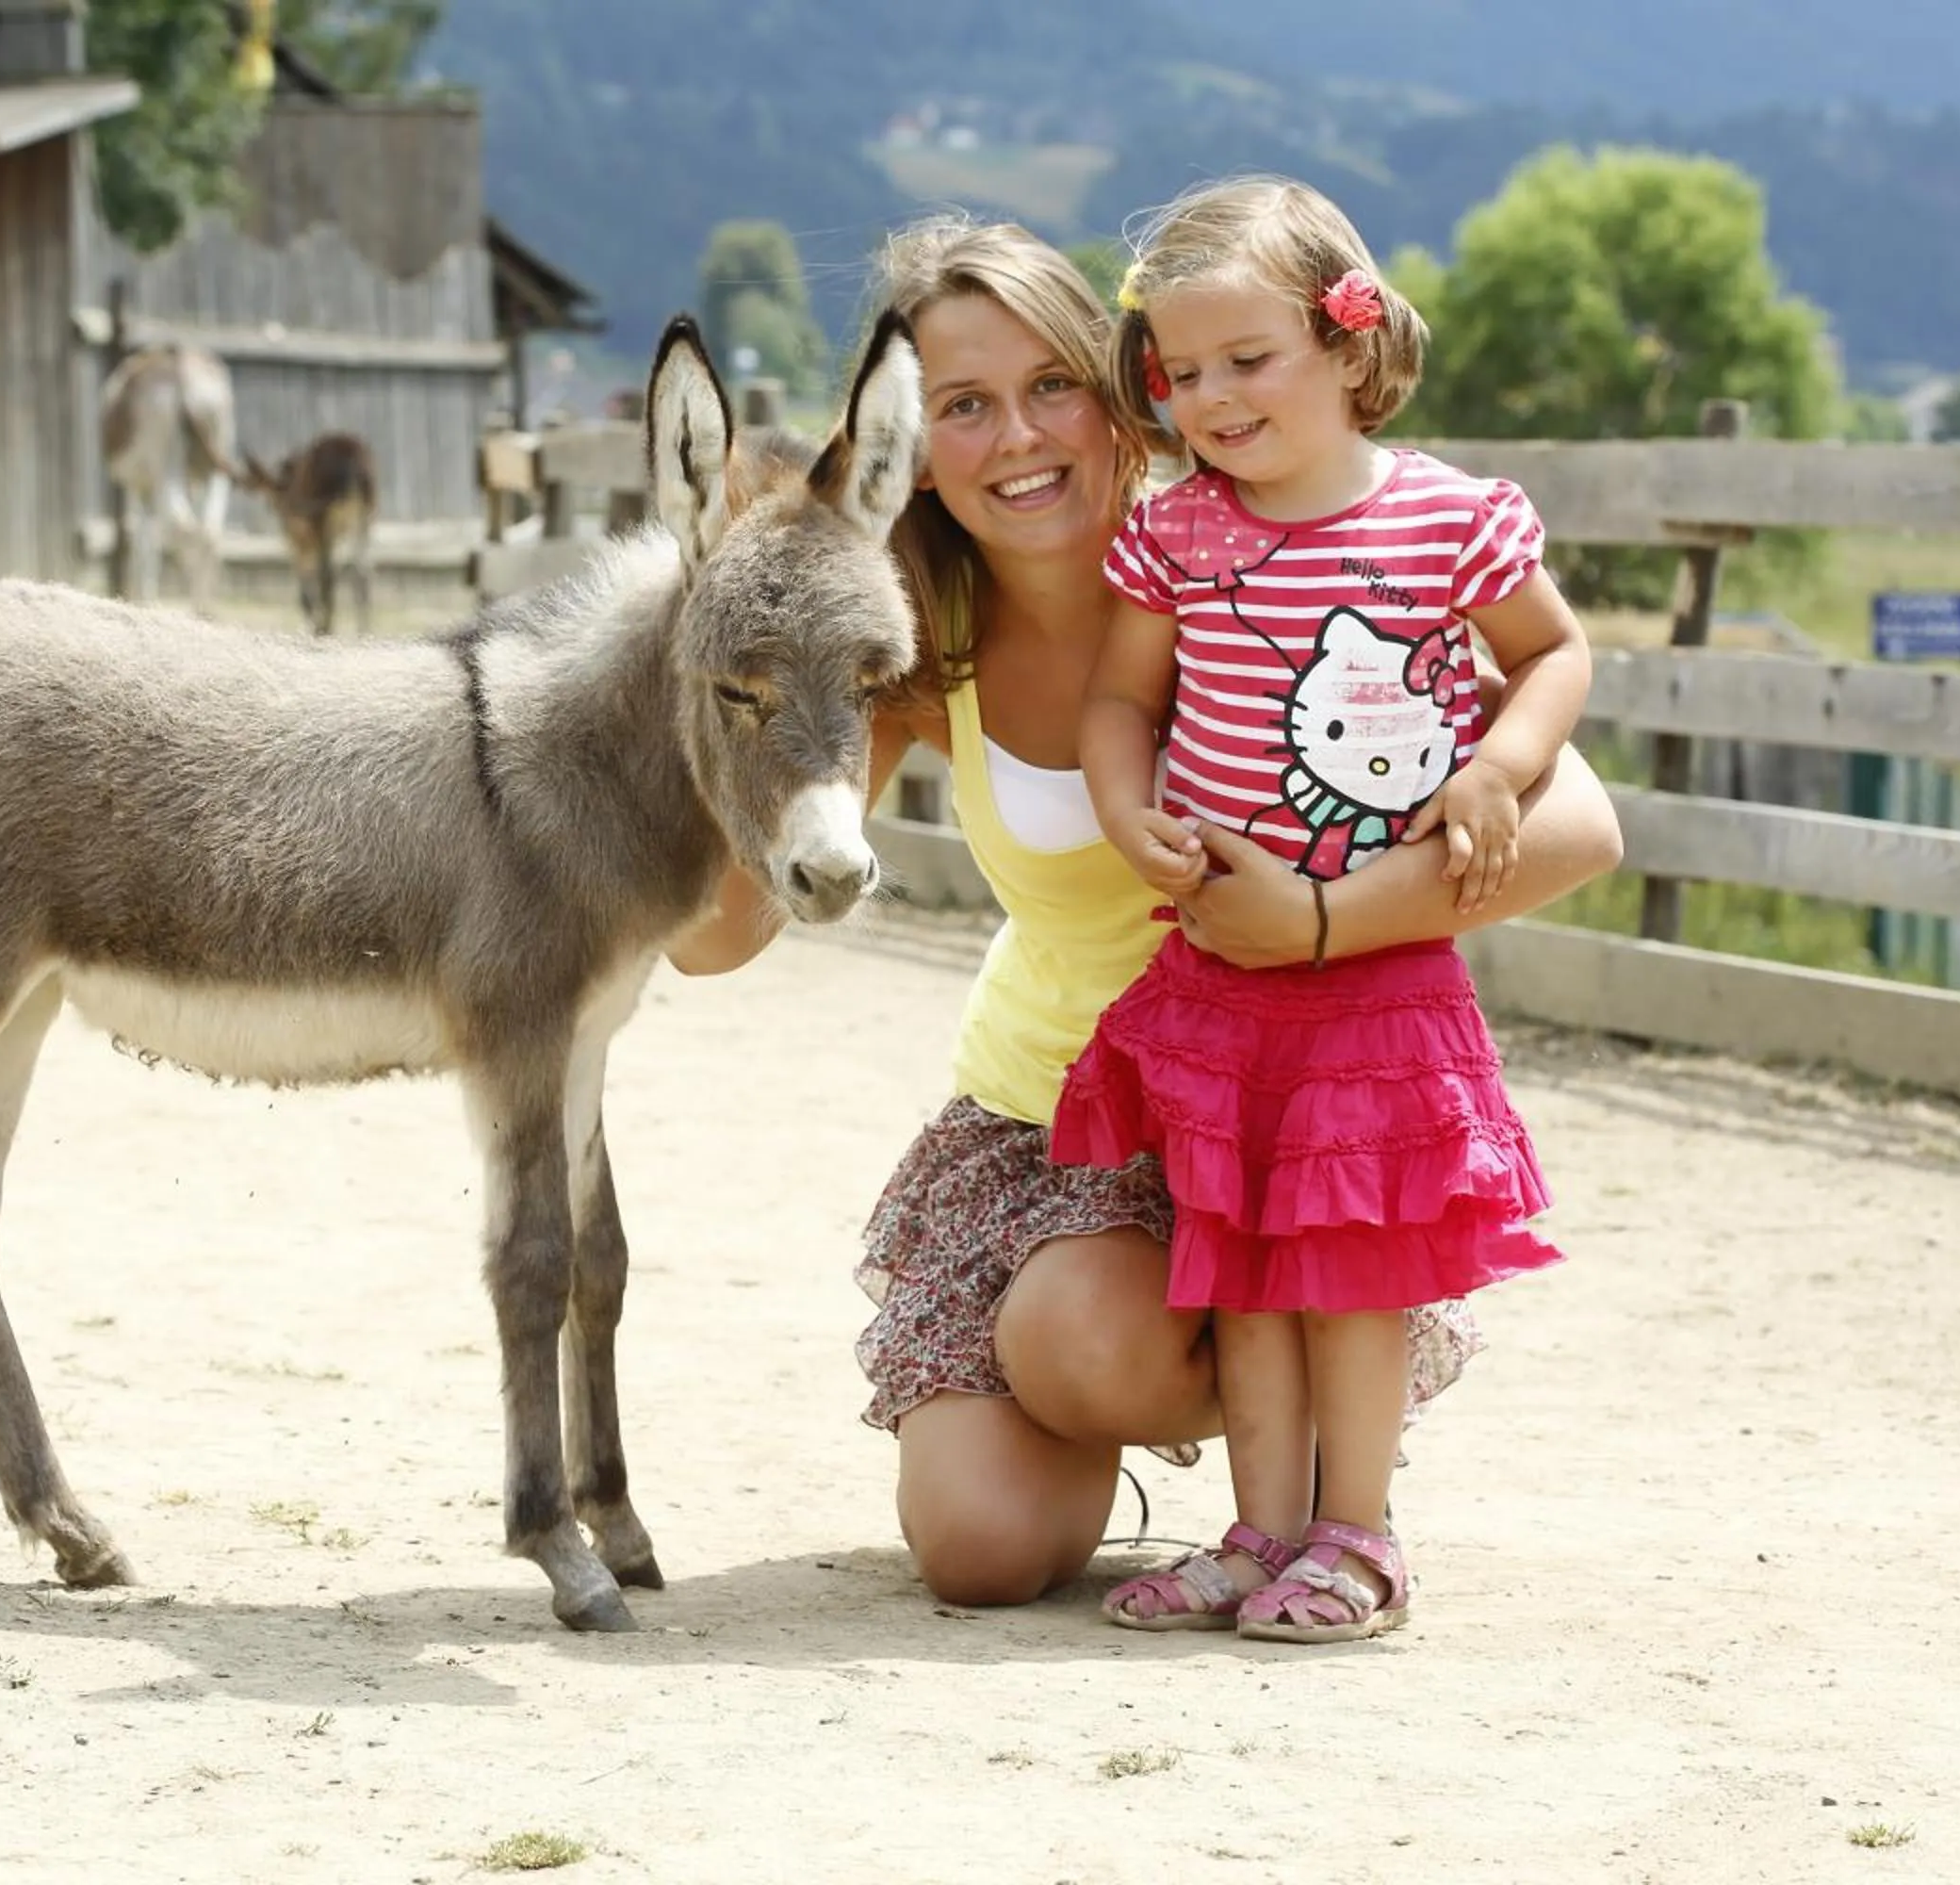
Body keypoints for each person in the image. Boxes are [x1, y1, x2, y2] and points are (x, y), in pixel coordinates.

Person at [663, 207, 1623, 1611]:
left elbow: (1583, 824)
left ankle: (1306, 1487)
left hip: (1271, 1097)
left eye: (1051, 386)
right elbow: (718, 938)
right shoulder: (918, 643)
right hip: (1047, 1110)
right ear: (909, 446)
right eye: (963, 408)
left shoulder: (1258, 555)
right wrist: (700, 721)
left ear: (1122, 395)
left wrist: (1315, 924)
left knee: (1081, 1341)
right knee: (981, 1554)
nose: (1017, 437)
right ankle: (1125, 1442)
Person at [1047, 176, 1589, 1643]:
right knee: (1242, 1259)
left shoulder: (1447, 519)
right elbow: (1120, 699)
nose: (1211, 397)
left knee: (1351, 1269)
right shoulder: (1179, 535)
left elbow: (1552, 655)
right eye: (1182, 369)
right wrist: (1120, 803)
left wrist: (1502, 765)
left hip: (1377, 974)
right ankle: (1260, 1531)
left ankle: (1363, 1537)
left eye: (1249, 360)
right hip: (1225, 962)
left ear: (1349, 348)